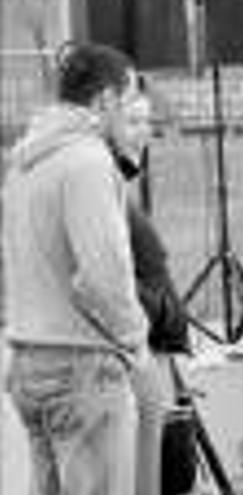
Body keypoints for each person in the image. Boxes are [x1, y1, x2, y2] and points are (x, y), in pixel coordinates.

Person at [2, 43, 149, 495]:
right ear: (104, 100)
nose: (130, 116)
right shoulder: (86, 161)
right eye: (127, 103)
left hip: (31, 361)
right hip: (82, 369)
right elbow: (104, 275)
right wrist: (135, 340)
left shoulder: (25, 163)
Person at [112, 86, 192, 495]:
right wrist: (160, 313)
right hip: (142, 349)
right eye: (133, 122)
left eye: (148, 122)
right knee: (164, 470)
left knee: (173, 464)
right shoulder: (102, 189)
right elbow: (106, 277)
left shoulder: (117, 188)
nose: (144, 132)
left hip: (157, 345)